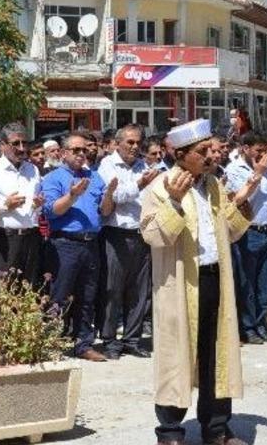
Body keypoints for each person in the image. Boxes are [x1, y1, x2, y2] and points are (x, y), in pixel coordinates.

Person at [140, 119, 257, 445]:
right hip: (179, 286)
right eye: (203, 151)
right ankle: (170, 433)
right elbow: (152, 236)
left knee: (216, 356)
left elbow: (228, 233)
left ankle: (217, 429)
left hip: (215, 280)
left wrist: (242, 204)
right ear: (179, 154)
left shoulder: (215, 186)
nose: (212, 156)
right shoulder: (161, 186)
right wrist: (175, 202)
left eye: (212, 150)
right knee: (175, 358)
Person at [42, 131, 115, 362]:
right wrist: (72, 195)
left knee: (87, 296)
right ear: (63, 153)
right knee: (59, 296)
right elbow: (52, 211)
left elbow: (105, 211)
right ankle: (51, 342)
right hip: (65, 244)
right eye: (76, 150)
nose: (82, 154)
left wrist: (110, 194)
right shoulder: (53, 178)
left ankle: (83, 344)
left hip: (90, 244)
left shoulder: (94, 176)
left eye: (84, 150)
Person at [96, 125, 158, 359]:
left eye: (137, 143)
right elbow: (115, 196)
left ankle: (132, 339)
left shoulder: (145, 167)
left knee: (139, 291)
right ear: (118, 143)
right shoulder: (107, 166)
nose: (135, 147)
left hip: (141, 235)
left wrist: (142, 187)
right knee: (112, 290)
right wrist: (140, 185)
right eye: (130, 142)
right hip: (116, 234)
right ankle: (110, 340)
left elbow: (150, 199)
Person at [225, 132, 267, 344]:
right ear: (245, 149)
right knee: (246, 283)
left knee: (265, 283)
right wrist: (258, 173)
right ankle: (248, 327)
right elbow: (242, 199)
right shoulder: (235, 170)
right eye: (258, 151)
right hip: (248, 232)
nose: (262, 155)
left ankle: (260, 325)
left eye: (264, 151)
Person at [0, 123, 43, 285]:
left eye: (25, 143)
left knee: (28, 293)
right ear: (3, 145)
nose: (22, 148)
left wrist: (37, 205)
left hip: (31, 238)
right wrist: (5, 206)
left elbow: (33, 206)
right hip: (5, 240)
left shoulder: (33, 170)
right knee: (4, 293)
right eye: (16, 143)